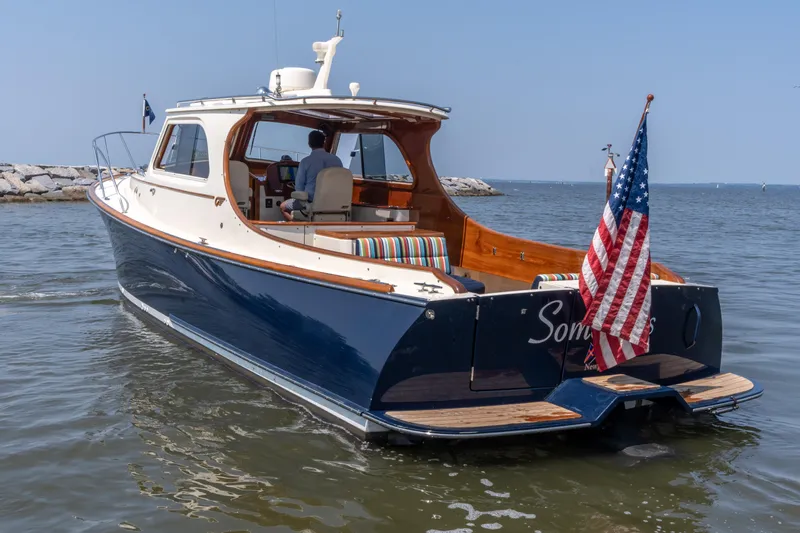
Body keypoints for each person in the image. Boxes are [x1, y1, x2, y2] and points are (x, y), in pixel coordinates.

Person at [280, 130, 343, 221]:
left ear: (309, 144)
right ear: (324, 143)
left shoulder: (306, 162)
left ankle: (298, 229)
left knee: (283, 207)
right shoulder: (337, 160)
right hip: (335, 203)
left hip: (312, 203)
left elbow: (299, 188)